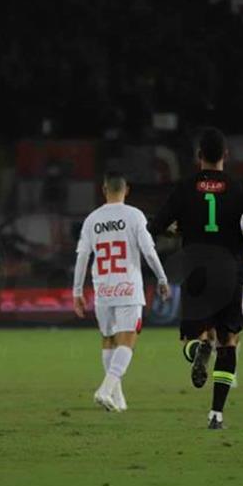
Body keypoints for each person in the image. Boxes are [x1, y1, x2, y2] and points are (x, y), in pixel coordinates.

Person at [147, 126, 243, 430]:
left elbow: (156, 225)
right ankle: (216, 415)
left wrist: (176, 229)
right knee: (229, 342)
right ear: (226, 156)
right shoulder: (240, 188)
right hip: (230, 271)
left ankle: (198, 349)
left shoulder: (184, 187)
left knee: (192, 337)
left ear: (198, 156)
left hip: (195, 271)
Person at [72, 171, 171, 412]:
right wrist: (161, 277)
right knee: (128, 340)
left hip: (103, 287)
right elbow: (148, 251)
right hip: (128, 286)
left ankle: (117, 396)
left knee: (108, 339)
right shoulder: (134, 215)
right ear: (126, 190)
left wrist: (76, 291)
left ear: (104, 190)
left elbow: (82, 256)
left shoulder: (92, 219)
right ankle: (105, 390)